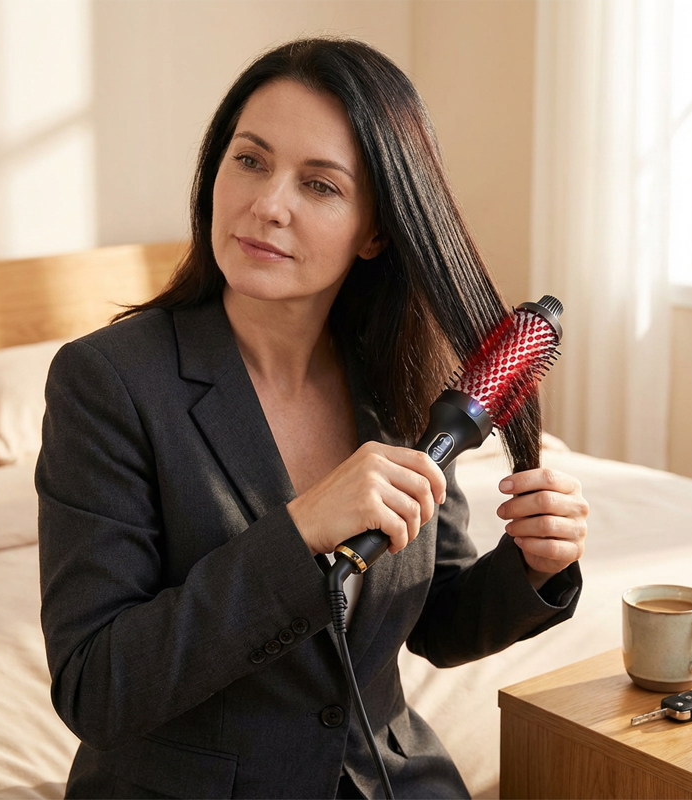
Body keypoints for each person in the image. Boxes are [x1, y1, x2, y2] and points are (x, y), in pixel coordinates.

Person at [37, 36, 588, 800]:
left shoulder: (397, 385)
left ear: (376, 230)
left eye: (320, 184)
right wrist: (299, 533)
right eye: (250, 160)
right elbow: (96, 686)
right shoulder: (108, 382)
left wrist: (533, 566)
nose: (268, 204)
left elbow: (435, 620)